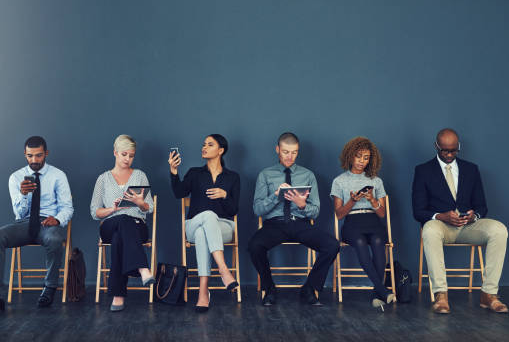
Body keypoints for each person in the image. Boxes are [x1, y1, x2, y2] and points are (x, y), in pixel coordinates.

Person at [413, 128, 509, 314]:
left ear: (458, 147)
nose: (449, 155)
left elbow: (482, 206)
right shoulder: (423, 171)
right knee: (429, 230)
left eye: (453, 150)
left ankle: (488, 294)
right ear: (436, 146)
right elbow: (418, 211)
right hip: (441, 226)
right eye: (444, 150)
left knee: (499, 230)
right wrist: (441, 216)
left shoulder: (471, 169)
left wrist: (475, 216)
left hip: (468, 226)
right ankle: (441, 295)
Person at [0, 136, 74, 317]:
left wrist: (57, 219)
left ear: (46, 153)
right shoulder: (15, 177)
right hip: (24, 223)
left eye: (38, 156)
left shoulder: (58, 175)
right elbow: (20, 214)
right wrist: (23, 194)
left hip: (48, 222)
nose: (34, 161)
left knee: (55, 238)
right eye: (30, 156)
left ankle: (49, 288)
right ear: (25, 154)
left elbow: (67, 207)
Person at [248, 132, 340, 306]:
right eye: (285, 152)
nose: (290, 157)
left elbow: (315, 213)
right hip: (274, 225)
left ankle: (309, 288)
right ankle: (269, 288)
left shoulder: (308, 175)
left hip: (300, 224)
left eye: (294, 152)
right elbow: (257, 210)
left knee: (332, 245)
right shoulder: (265, 175)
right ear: (277, 150)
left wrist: (301, 204)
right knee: (254, 246)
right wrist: (276, 196)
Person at [169, 134, 240, 313]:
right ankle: (223, 270)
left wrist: (225, 195)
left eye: (210, 144)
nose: (204, 147)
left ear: (221, 150)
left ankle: (203, 292)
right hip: (193, 224)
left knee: (203, 233)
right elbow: (179, 193)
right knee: (206, 217)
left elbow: (233, 210)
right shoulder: (194, 173)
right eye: (203, 144)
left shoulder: (233, 177)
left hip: (223, 226)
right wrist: (174, 171)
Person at [90, 135, 155, 312]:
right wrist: (112, 209)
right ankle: (142, 268)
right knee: (121, 221)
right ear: (115, 153)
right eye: (124, 154)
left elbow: (150, 208)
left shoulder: (140, 175)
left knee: (121, 234)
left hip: (137, 226)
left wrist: (140, 202)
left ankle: (118, 296)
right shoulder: (103, 179)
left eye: (131, 155)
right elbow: (95, 212)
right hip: (109, 226)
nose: (128, 159)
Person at [331, 137, 394, 309]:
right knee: (359, 242)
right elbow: (339, 215)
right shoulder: (339, 181)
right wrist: (352, 201)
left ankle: (377, 293)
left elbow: (382, 213)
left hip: (372, 221)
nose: (362, 161)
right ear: (350, 156)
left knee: (378, 241)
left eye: (366, 158)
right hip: (352, 222)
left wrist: (372, 199)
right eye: (359, 156)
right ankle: (382, 289)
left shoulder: (376, 181)